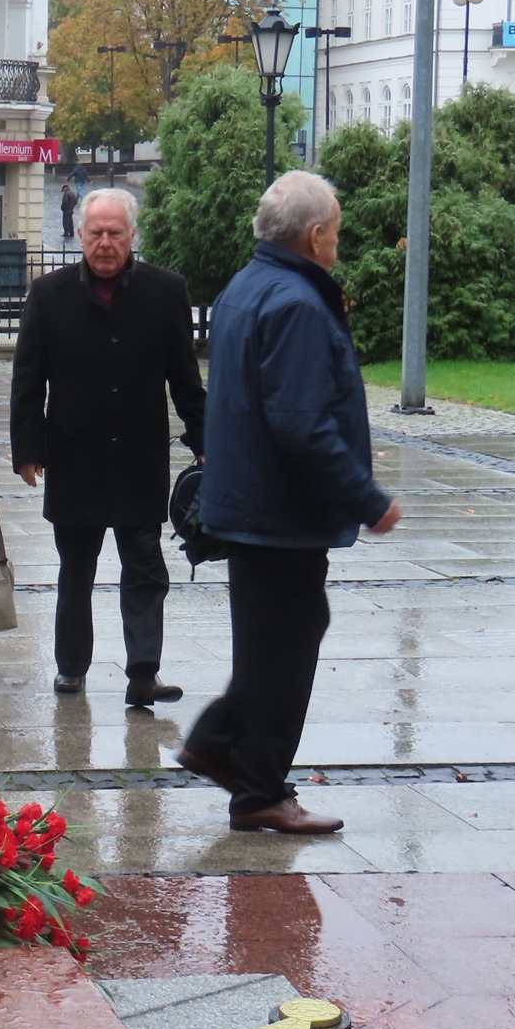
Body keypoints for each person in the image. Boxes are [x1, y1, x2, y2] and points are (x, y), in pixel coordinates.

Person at [181, 170, 400, 834]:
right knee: (284, 648)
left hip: (253, 504)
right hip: (280, 511)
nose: (338, 243)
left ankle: (224, 751)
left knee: (275, 642)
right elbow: (301, 423)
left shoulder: (246, 286)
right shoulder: (297, 302)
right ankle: (254, 785)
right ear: (313, 235)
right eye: (335, 232)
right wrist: (367, 499)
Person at [10, 187, 205, 707]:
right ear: (79, 235)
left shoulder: (166, 292)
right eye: (95, 232)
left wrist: (204, 440)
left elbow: (185, 378)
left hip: (140, 457)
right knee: (76, 569)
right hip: (74, 457)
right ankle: (71, 667)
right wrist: (27, 449)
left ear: (131, 235)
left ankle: (143, 672)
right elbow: (28, 379)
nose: (104, 242)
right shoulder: (48, 294)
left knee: (145, 568)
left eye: (114, 233)